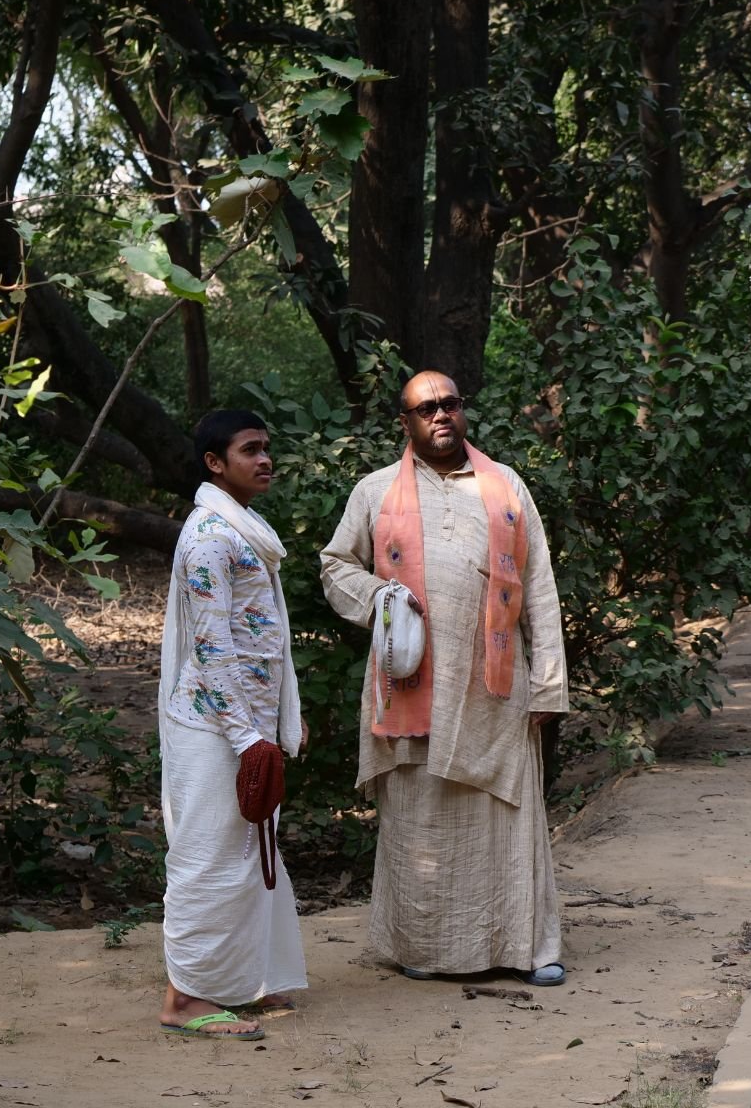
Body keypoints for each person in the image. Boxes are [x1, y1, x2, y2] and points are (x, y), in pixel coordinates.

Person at [319, 371, 569, 986]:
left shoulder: (506, 485)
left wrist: (549, 682)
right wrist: (380, 595)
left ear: (463, 412)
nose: (440, 415)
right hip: (413, 686)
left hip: (496, 690)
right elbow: (333, 564)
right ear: (404, 421)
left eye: (450, 404)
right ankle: (427, 950)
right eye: (426, 407)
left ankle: (527, 948)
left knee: (505, 816)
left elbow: (538, 589)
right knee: (419, 817)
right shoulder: (376, 491)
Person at [156, 409, 308, 1039]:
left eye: (268, 447)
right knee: (209, 855)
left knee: (252, 851)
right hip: (216, 726)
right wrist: (247, 738)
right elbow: (212, 648)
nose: (265, 459)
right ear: (215, 464)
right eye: (251, 449)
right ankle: (184, 1000)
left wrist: (279, 721)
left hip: (249, 722)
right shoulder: (210, 537)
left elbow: (264, 640)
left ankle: (246, 980)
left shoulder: (246, 529)